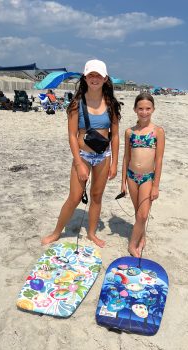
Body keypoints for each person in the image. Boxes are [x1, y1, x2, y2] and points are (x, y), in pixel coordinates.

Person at [41, 59, 121, 247]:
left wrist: (115, 163)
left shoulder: (111, 104)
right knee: (75, 197)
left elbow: (115, 136)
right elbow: (71, 135)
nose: (94, 78)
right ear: (85, 77)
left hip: (103, 156)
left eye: (98, 75)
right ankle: (56, 232)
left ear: (105, 78)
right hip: (82, 156)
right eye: (91, 75)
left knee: (96, 196)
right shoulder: (77, 103)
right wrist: (78, 163)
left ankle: (92, 233)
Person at [121, 92, 165, 257]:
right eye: (141, 108)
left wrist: (156, 186)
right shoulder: (129, 132)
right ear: (135, 110)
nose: (144, 112)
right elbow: (126, 157)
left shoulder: (157, 132)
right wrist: (123, 182)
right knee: (137, 211)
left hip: (147, 178)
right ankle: (142, 237)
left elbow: (159, 160)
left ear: (153, 109)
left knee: (143, 214)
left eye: (148, 108)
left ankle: (132, 245)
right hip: (132, 177)